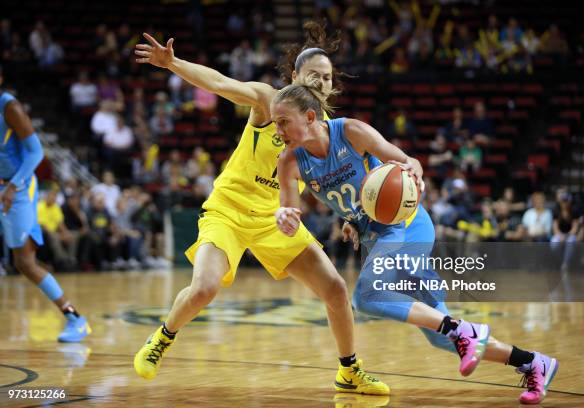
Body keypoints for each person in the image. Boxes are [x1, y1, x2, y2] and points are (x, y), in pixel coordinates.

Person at [132, 22, 389, 395]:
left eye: (327, 77)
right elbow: (219, 83)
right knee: (204, 288)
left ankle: (349, 371)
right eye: (313, 75)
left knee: (335, 288)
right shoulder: (269, 100)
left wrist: (353, 217)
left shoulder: (329, 131)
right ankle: (163, 336)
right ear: (295, 76)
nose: (320, 82)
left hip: (276, 219)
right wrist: (173, 64)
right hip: (229, 211)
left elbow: (332, 185)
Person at [272, 78, 559, 405]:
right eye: (275, 122)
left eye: (283, 121)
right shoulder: (289, 161)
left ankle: (463, 330)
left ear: (310, 117)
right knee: (442, 339)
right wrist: (288, 220)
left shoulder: (350, 131)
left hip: (405, 226)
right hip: (376, 237)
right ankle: (533, 363)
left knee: (367, 296)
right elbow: (289, 214)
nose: (277, 129)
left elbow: (408, 162)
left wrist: (415, 171)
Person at [0, 65, 90, 342]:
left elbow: (36, 152)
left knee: (25, 263)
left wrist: (13, 186)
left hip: (18, 187)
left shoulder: (9, 107)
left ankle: (75, 317)